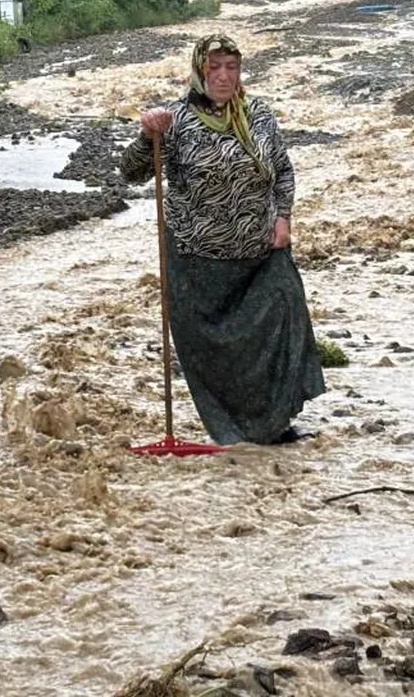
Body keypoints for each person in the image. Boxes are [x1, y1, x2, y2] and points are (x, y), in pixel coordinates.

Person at [120, 34, 325, 445]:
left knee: (284, 319)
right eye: (214, 67)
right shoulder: (173, 120)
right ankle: (231, 429)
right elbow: (131, 172)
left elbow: (282, 171)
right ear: (199, 70)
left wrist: (283, 217)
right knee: (218, 351)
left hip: (261, 251)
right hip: (198, 258)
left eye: (231, 67)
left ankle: (273, 422)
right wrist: (147, 136)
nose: (224, 76)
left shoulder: (259, 115)